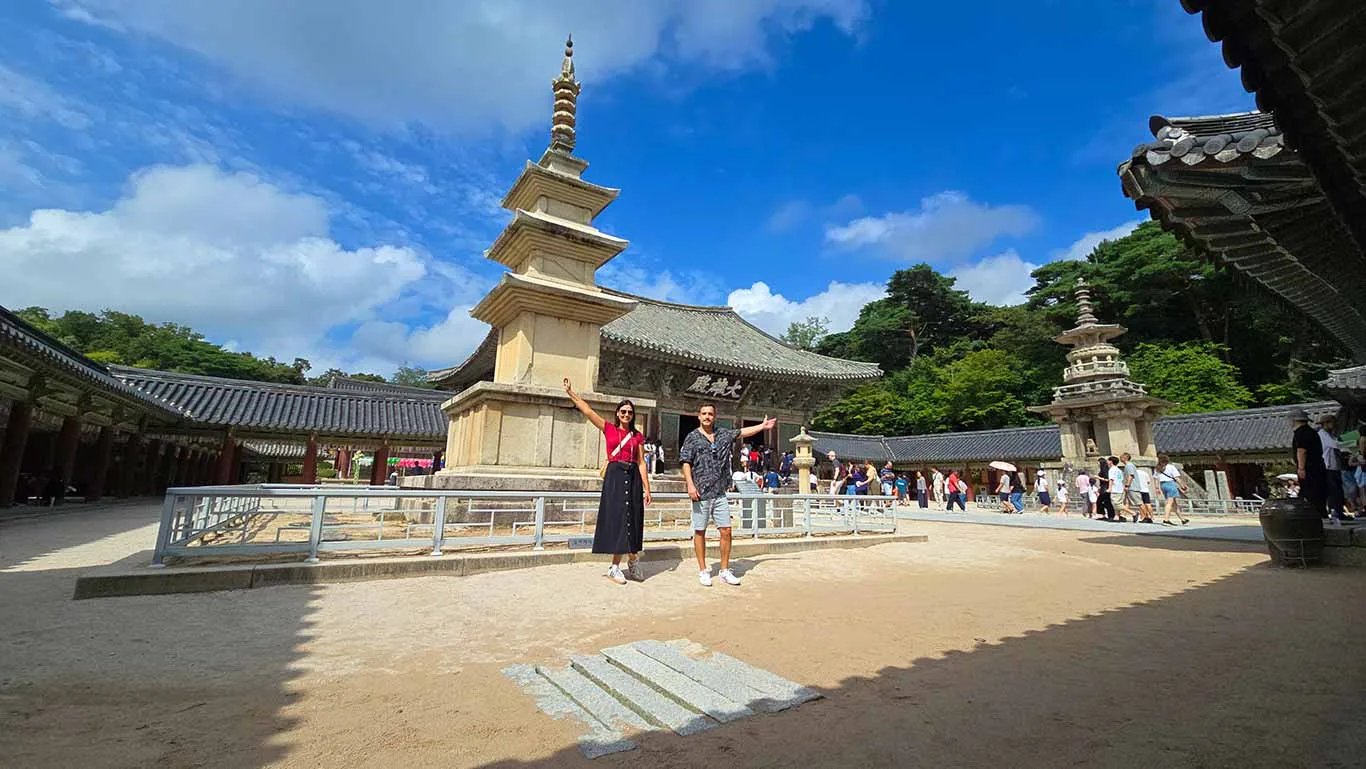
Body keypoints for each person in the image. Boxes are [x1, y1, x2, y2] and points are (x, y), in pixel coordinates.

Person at [564, 378, 652, 584]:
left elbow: (641, 462)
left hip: (632, 477)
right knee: (619, 518)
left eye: (630, 412)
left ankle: (631, 560)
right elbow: (588, 411)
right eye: (623, 412)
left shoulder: (637, 436)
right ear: (617, 414)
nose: (626, 415)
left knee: (633, 518)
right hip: (614, 475)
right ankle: (616, 565)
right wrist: (571, 393)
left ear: (633, 415)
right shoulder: (609, 429)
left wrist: (647, 488)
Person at [680, 403, 774, 587]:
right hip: (700, 491)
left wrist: (762, 427)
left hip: (720, 491)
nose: (707, 416)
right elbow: (685, 462)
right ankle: (703, 569)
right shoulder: (692, 437)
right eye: (704, 413)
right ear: (698, 416)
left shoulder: (723, 434)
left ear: (715, 416)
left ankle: (724, 570)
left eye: (710, 414)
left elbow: (741, 432)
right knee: (700, 531)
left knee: (726, 530)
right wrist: (690, 485)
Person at [1291, 409, 1327, 520]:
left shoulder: (1301, 433)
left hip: (1309, 467)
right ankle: (1321, 513)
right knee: (1319, 491)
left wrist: (1301, 467)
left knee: (1310, 492)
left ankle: (1313, 516)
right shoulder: (1312, 432)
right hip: (1318, 465)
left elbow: (1301, 451)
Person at [1155, 452, 1189, 526]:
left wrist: (1157, 488)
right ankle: (1166, 519)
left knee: (1174, 503)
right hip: (1170, 484)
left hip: (1162, 485)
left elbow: (1156, 479)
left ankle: (1182, 519)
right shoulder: (1171, 467)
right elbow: (1177, 478)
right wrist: (1182, 486)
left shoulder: (1157, 468)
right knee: (1169, 503)